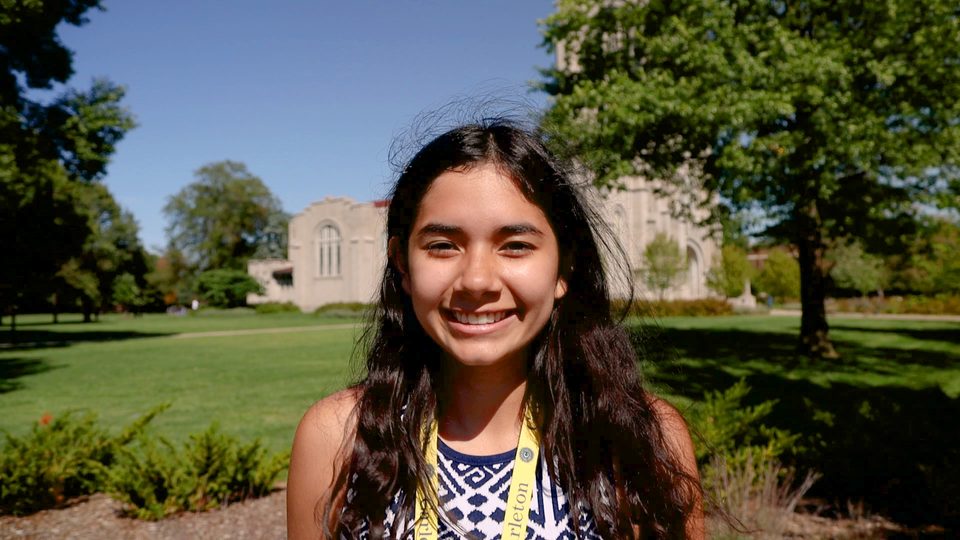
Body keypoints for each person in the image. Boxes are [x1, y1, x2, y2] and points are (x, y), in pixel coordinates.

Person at [287, 119, 704, 539]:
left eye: (516, 246)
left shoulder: (642, 440)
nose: (477, 280)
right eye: (443, 245)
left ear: (565, 268)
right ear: (402, 264)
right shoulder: (338, 438)